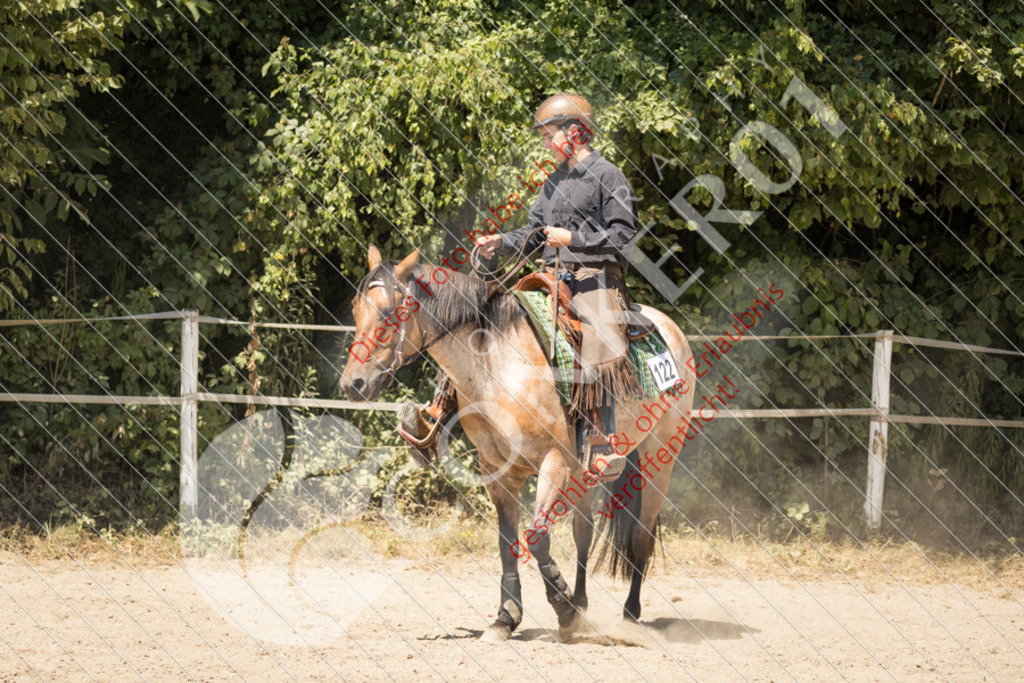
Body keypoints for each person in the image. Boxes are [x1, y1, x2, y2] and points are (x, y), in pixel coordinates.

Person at [402, 92, 639, 479]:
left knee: (600, 338)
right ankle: (439, 412)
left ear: (575, 131)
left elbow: (624, 235)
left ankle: (600, 440)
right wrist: (501, 242)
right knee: (479, 323)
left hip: (595, 280)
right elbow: (534, 233)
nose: (545, 144)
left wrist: (574, 240)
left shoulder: (609, 176)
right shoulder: (553, 182)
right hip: (548, 282)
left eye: (549, 135)